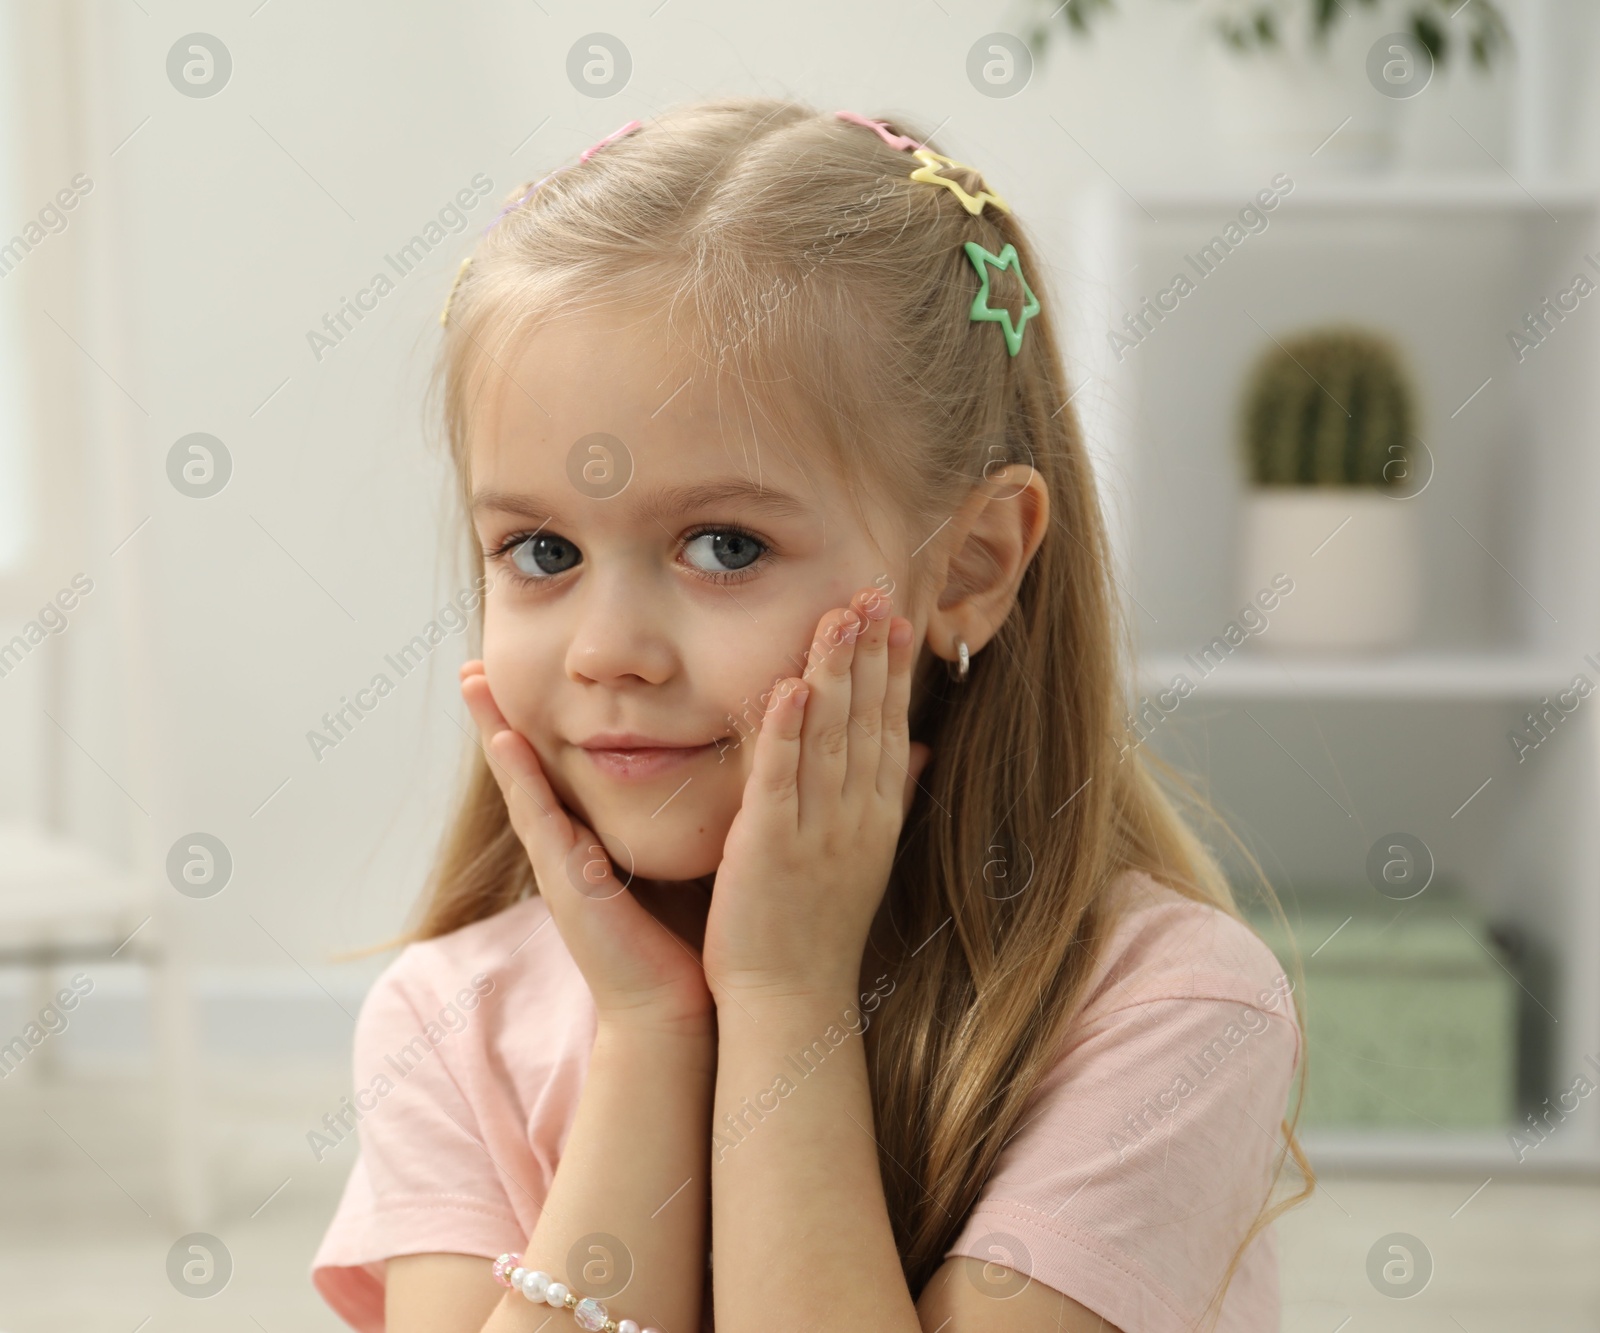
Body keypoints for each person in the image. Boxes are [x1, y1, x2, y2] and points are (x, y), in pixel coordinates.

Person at [310, 96, 1311, 1333]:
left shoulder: (1169, 1011)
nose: (608, 652)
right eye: (540, 549)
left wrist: (785, 996)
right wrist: (647, 1036)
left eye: (723, 545)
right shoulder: (451, 1016)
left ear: (973, 565)